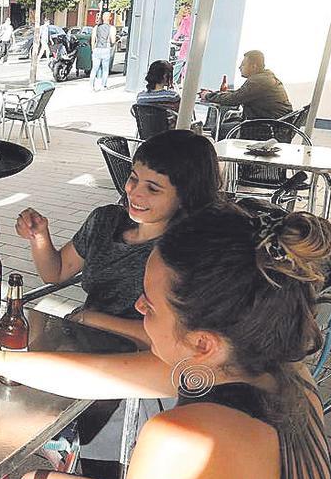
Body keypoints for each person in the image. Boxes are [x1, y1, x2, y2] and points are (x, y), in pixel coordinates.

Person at [0, 201, 331, 479]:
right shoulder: (268, 367)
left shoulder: (181, 438)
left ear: (202, 343)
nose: (138, 306)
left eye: (149, 301)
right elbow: (96, 376)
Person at [14, 130, 220, 345]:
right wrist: (39, 237)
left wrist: (92, 319)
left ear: (186, 196)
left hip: (136, 359)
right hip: (83, 339)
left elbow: (177, 339)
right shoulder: (105, 220)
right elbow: (55, 273)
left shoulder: (188, 252)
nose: (134, 192)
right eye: (134, 178)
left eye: (153, 188)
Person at [201, 50, 294, 121]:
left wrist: (207, 95)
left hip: (267, 128)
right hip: (275, 125)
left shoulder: (258, 81)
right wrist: (215, 93)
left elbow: (234, 99)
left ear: (253, 66)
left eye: (243, 65)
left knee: (220, 130)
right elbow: (240, 93)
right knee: (229, 121)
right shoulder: (265, 78)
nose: (239, 67)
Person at [90, 12, 116, 91]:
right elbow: (113, 40)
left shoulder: (96, 27)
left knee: (94, 69)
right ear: (110, 18)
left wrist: (93, 49)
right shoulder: (112, 28)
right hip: (106, 49)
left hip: (97, 49)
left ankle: (92, 86)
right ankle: (103, 86)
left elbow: (93, 40)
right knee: (105, 69)